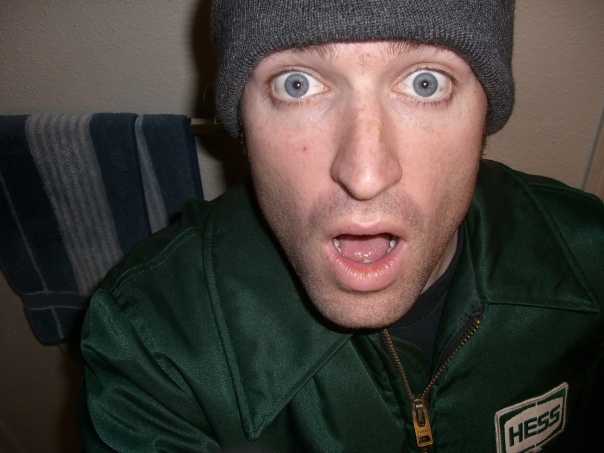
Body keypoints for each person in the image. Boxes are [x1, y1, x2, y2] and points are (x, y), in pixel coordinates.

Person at [78, 1, 604, 452]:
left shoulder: (592, 256)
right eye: (297, 84)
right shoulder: (150, 341)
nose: (365, 175)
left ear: (486, 110)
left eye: (425, 83)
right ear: (241, 117)